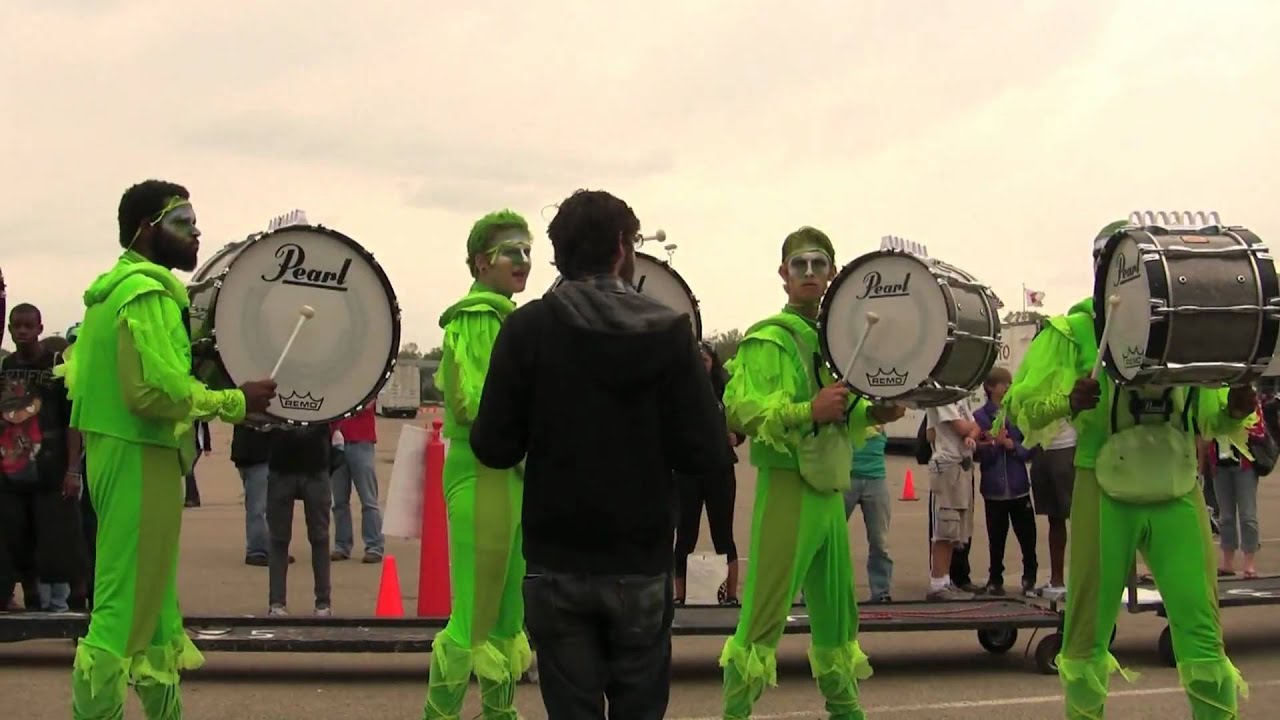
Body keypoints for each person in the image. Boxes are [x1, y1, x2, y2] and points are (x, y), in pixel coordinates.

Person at [470, 190, 725, 719]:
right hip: (640, 558)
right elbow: (704, 451)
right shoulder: (669, 331)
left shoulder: (527, 329)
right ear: (621, 247)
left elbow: (493, 448)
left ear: (559, 255)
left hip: (556, 560)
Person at [1001, 219, 1254, 720]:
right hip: (1104, 487)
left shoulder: (1185, 327)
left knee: (1201, 626)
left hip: (1176, 487)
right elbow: (1022, 407)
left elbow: (1211, 412)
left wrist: (1236, 407)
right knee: (1087, 628)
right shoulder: (1072, 333)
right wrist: (1066, 399)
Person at [60, 180, 277, 719]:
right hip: (138, 455)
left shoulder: (114, 292)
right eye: (183, 221)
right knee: (118, 612)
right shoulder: (145, 293)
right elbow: (149, 392)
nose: (196, 230)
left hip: (134, 456)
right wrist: (233, 400)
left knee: (155, 611)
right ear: (146, 229)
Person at [719, 227, 905, 720]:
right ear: (783, 274)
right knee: (761, 621)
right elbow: (740, 411)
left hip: (829, 490)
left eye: (818, 264)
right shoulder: (769, 338)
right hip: (787, 489)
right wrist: (808, 410)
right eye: (798, 265)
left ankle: (847, 713)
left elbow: (845, 415)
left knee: (839, 623)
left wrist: (875, 415)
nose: (808, 273)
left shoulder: (843, 339)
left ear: (833, 273)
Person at [422, 210, 536, 720]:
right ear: (481, 261)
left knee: (507, 622)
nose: (524, 260)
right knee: (472, 621)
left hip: (510, 480)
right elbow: (473, 402)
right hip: (482, 474)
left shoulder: (507, 318)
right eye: (513, 250)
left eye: (529, 251)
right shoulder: (476, 316)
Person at [0, 303, 86, 613]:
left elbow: (72, 421)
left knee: (59, 542)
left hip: (52, 469)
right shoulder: (5, 368)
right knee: (14, 538)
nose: (22, 331)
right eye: (16, 326)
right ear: (10, 329)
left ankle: (68, 606)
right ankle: (26, 597)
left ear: (39, 328)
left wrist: (73, 469)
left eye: (28, 326)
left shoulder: (56, 367)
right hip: (12, 470)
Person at [673, 341, 744, 607]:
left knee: (723, 535)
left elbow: (741, 422)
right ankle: (680, 595)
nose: (702, 363)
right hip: (687, 472)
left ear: (713, 361)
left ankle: (731, 594)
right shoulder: (678, 391)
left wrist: (737, 437)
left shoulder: (724, 392)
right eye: (697, 359)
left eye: (705, 359)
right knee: (685, 536)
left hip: (720, 471)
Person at [973, 366, 1038, 597]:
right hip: (994, 490)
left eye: (1011, 384)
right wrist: (994, 444)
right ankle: (995, 578)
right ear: (990, 387)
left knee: (1028, 537)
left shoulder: (1016, 415)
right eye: (1004, 384)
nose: (1009, 388)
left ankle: (1030, 578)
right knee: (996, 537)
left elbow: (1030, 448)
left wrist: (1014, 447)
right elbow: (978, 455)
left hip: (1019, 487)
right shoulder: (980, 418)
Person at [265, 423, 332, 616]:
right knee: (279, 540)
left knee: (320, 538)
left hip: (315, 467)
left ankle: (323, 603)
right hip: (282, 467)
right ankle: (277, 603)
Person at [925, 399, 980, 600]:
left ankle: (946, 580)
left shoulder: (960, 396)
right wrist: (969, 429)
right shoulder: (942, 396)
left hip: (961, 464)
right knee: (946, 524)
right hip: (946, 464)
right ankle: (937, 583)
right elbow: (961, 426)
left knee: (957, 528)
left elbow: (974, 427)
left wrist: (971, 430)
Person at [1208, 398, 1265, 579]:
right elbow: (1206, 431)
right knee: (1226, 516)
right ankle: (1227, 563)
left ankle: (1249, 563)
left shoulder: (1250, 402)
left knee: (1247, 515)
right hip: (1220, 464)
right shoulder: (1215, 404)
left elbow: (1260, 430)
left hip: (1245, 465)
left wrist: (1239, 427)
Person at [843, 424, 894, 603]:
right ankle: (815, 592)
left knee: (880, 541)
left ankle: (881, 592)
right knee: (827, 539)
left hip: (875, 476)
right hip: (844, 476)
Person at [329, 401, 384, 563]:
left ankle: (374, 546)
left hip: (361, 441)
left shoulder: (366, 381)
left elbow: (367, 404)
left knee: (368, 499)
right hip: (336, 442)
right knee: (339, 501)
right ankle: (342, 546)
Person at [183, 421, 210, 508]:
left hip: (197, 446)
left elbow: (205, 428)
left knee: (189, 470)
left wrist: (207, 446)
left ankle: (191, 499)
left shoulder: (199, 412)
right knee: (188, 470)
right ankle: (193, 498)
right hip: (187, 445)